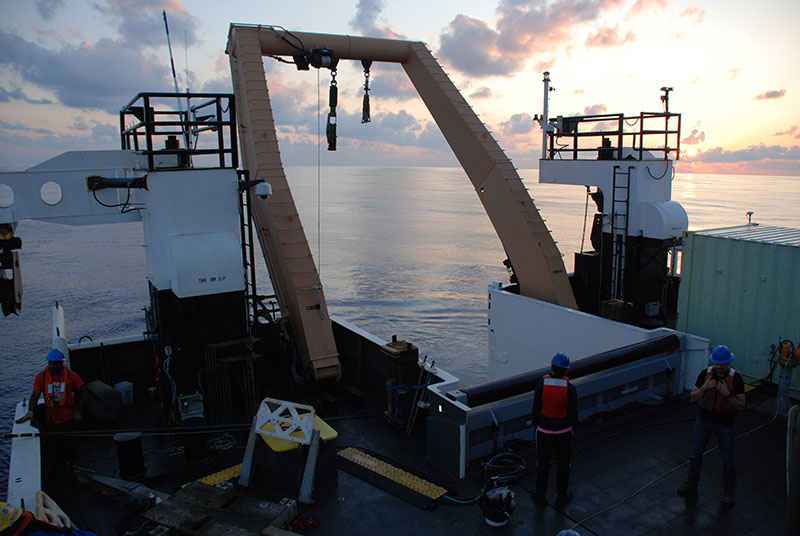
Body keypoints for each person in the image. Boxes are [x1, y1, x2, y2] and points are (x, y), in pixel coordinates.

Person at [677, 345, 746, 506]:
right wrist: (705, 387)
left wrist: (726, 394)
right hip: (704, 420)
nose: (720, 367)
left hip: (725, 424)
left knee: (728, 460)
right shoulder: (705, 375)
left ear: (729, 363)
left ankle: (729, 492)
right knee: (695, 454)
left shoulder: (736, 379)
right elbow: (693, 397)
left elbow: (742, 406)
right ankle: (691, 483)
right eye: (717, 364)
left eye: (723, 364)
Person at [531, 352, 578, 509]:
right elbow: (573, 412)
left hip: (544, 431)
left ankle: (540, 494)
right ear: (566, 371)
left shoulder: (541, 384)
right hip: (563, 432)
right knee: (564, 464)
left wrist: (536, 423)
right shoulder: (569, 388)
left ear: (551, 367)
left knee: (542, 464)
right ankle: (561, 496)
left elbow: (536, 408)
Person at [16, 349, 84, 429]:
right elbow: (35, 395)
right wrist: (30, 411)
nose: (51, 366)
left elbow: (83, 392)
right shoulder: (41, 377)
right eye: (49, 363)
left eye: (54, 364)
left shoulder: (72, 376)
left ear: (61, 363)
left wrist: (78, 410)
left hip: (68, 417)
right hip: (50, 418)